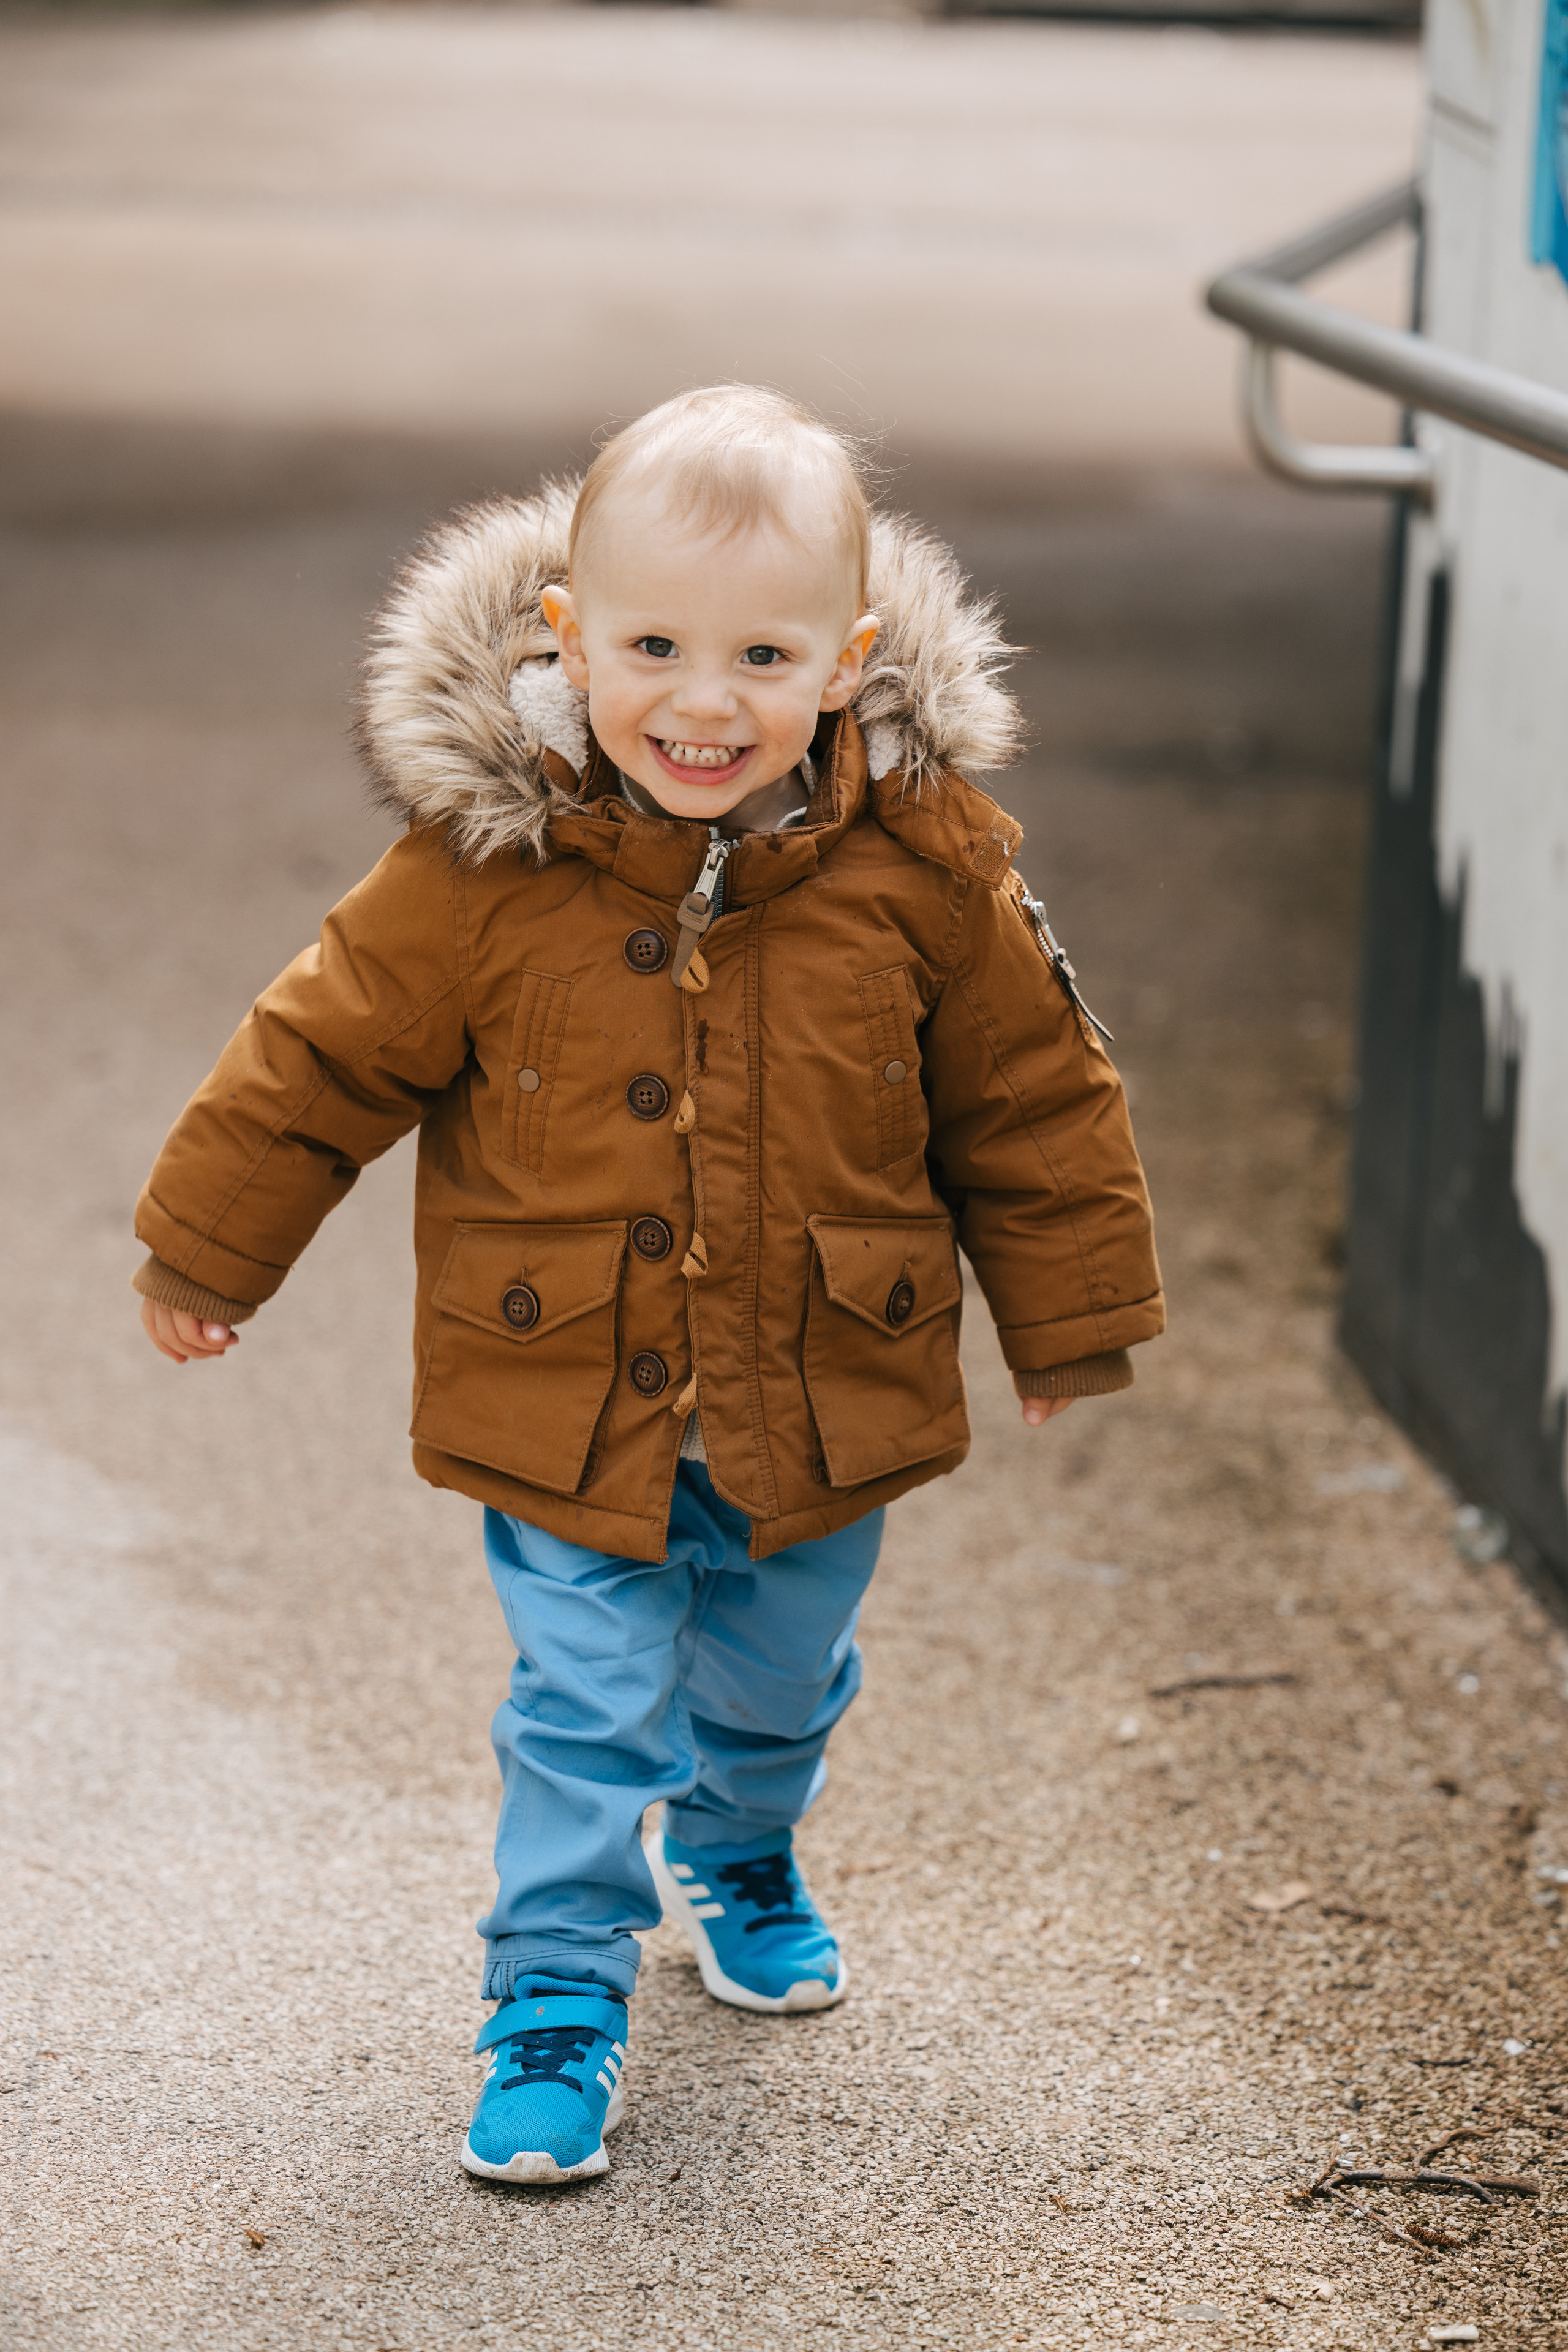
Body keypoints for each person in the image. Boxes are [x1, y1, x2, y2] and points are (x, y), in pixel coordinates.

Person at [132, 385, 1163, 2186]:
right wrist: (210, 1248)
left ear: (844, 663)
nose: (705, 700)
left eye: (762, 653)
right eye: (655, 647)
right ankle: (553, 2000)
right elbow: (319, 1057)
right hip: (564, 1393)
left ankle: (743, 1847)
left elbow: (1036, 1096)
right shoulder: (481, 869)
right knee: (584, 1706)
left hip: (823, 1387)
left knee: (775, 1689)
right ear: (568, 639)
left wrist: (1066, 1317)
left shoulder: (925, 876)